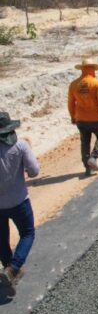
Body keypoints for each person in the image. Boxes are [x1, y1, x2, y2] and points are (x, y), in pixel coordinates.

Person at [0, 111, 39, 296]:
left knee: (1, 240)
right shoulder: (21, 146)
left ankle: (9, 273)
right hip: (19, 201)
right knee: (28, 233)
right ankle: (13, 268)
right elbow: (34, 171)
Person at [68, 58, 98, 176]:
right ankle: (94, 157)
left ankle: (88, 169)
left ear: (82, 69)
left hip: (81, 119)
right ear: (92, 69)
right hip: (96, 118)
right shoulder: (96, 83)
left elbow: (71, 103)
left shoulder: (73, 84)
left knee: (85, 142)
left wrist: (73, 117)